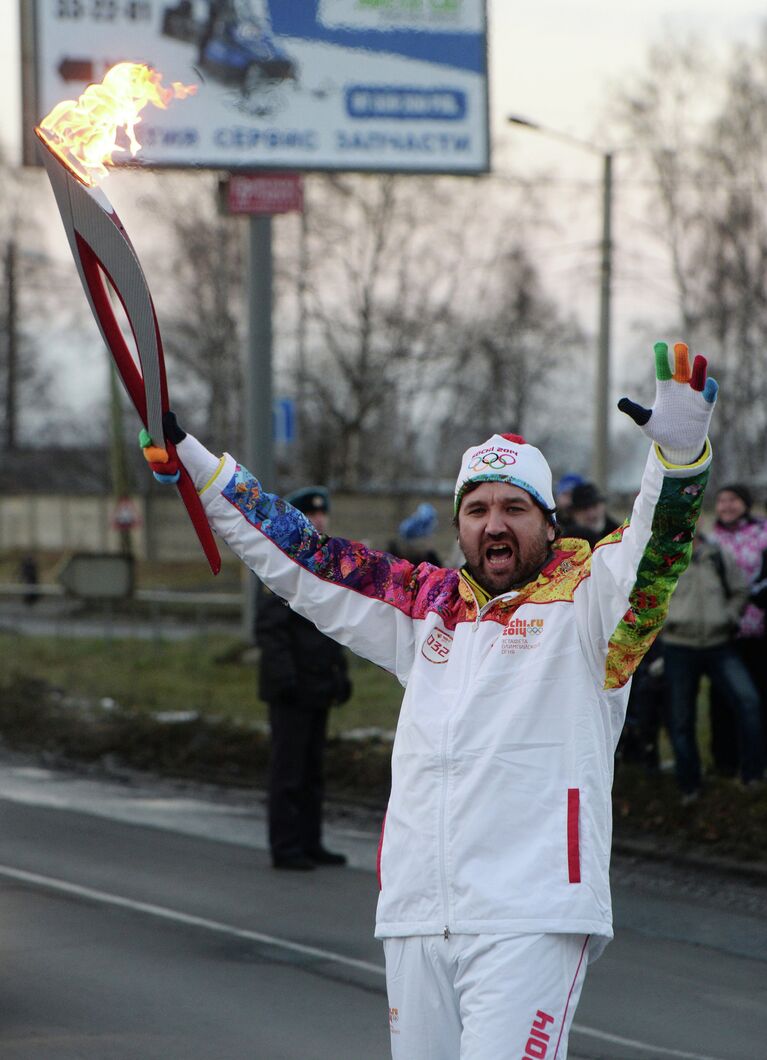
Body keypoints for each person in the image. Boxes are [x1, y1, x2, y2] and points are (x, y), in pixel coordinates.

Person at [142, 341, 717, 1059]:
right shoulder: (427, 608)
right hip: (417, 913)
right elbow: (305, 559)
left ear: (548, 522)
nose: (493, 523)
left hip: (530, 914)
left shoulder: (592, 606)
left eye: (513, 507)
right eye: (476, 509)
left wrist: (678, 457)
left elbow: (654, 550)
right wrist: (197, 464)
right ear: (459, 527)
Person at [255, 486, 352, 871]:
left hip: (318, 686)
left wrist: (339, 673)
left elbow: (334, 628)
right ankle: (286, 845)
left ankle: (311, 841)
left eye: (322, 514)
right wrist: (286, 679)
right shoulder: (280, 564)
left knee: (313, 771)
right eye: (311, 515)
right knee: (289, 771)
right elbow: (271, 630)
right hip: (292, 690)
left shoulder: (323, 565)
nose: (319, 520)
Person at [662, 532, 764, 802]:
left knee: (749, 702)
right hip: (678, 645)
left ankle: (753, 775)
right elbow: (647, 595)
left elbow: (740, 589)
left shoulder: (717, 555)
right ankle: (689, 784)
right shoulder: (662, 556)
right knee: (681, 718)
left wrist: (729, 616)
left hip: (719, 644)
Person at [709, 484, 767, 775]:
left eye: (733, 500)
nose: (727, 506)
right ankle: (725, 762)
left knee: (755, 696)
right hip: (720, 630)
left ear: (745, 504)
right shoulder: (711, 538)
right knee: (721, 700)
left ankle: (756, 760)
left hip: (756, 627)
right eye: (721, 501)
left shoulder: (762, 533)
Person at [566, 481, 621, 549]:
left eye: (594, 506)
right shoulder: (566, 541)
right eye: (584, 508)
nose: (591, 514)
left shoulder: (619, 535)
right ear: (574, 514)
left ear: (603, 507)